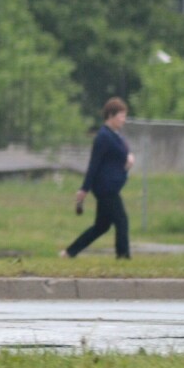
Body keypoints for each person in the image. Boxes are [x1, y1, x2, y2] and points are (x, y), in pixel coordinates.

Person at [61, 97, 134, 259]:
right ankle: (123, 256)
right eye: (121, 115)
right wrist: (84, 189)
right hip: (105, 188)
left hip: (111, 186)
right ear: (110, 115)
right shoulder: (103, 137)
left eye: (124, 115)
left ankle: (69, 252)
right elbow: (94, 165)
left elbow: (120, 156)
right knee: (122, 221)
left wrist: (127, 161)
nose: (124, 119)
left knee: (101, 226)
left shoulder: (116, 135)